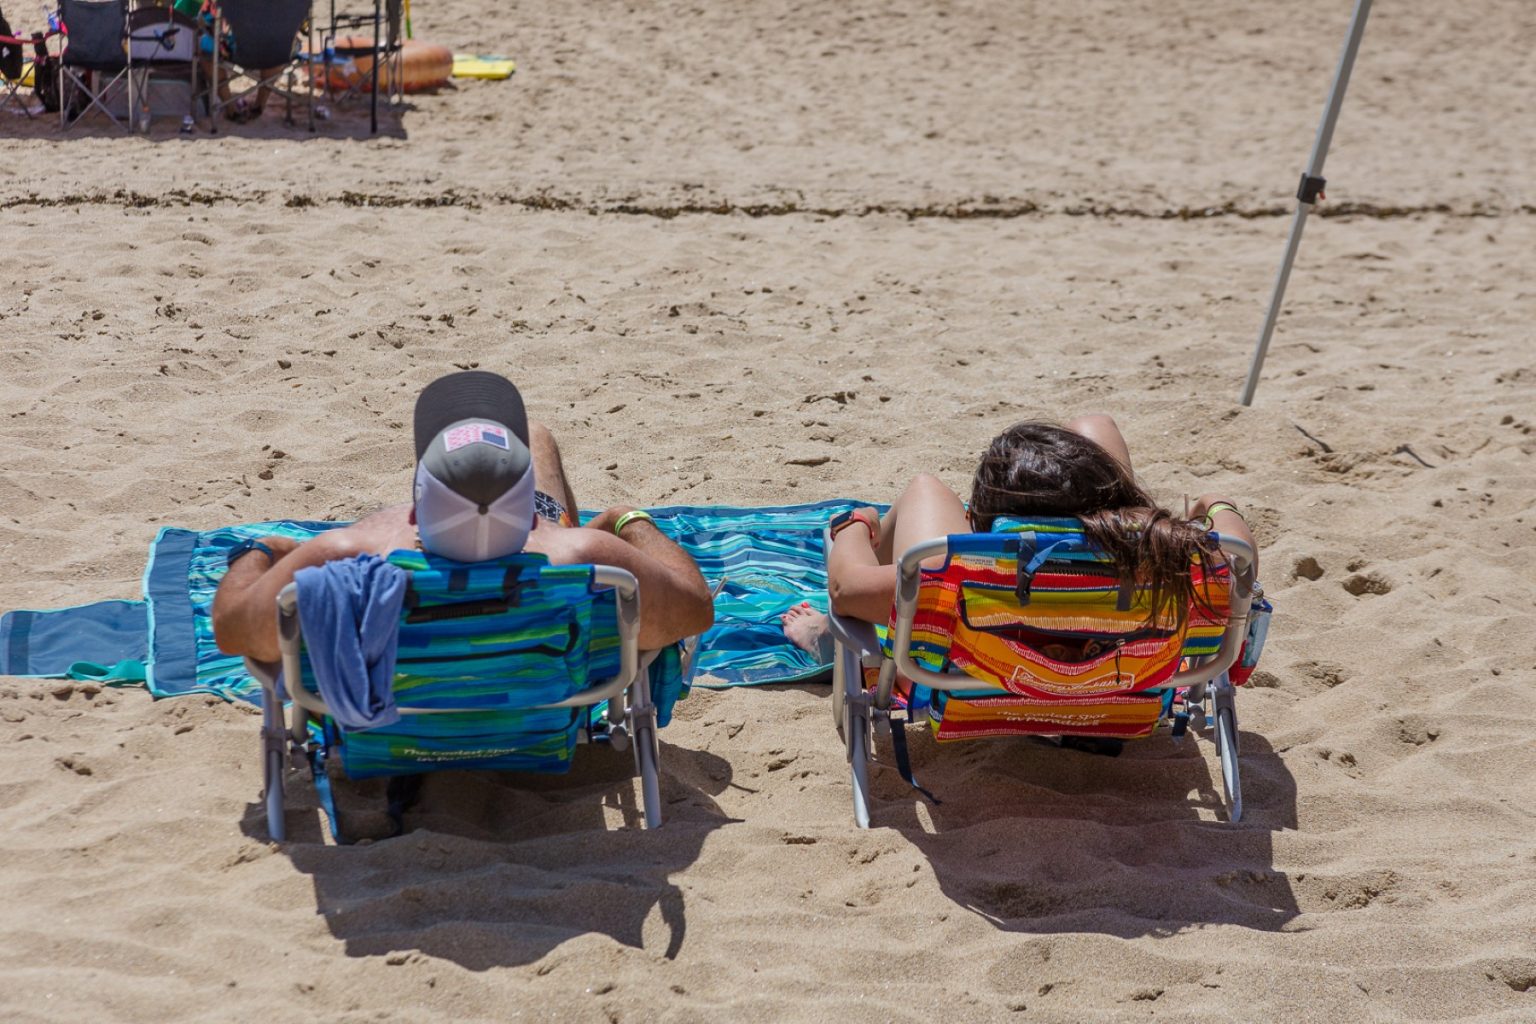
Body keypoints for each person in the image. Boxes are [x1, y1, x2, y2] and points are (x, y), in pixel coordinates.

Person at [213, 371, 715, 664]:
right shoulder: (586, 557)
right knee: (534, 434)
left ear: (414, 510)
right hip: (542, 719)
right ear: (532, 516)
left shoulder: (345, 556)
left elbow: (232, 631)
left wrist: (259, 550)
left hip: (395, 727)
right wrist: (629, 519)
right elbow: (695, 610)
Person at [782, 414, 1258, 657]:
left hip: (1000, 657)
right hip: (1121, 655)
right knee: (1094, 426)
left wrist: (857, 526)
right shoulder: (1171, 558)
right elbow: (1243, 557)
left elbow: (845, 588)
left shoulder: (959, 576)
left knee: (925, 488)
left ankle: (825, 635)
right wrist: (1216, 504)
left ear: (988, 521)